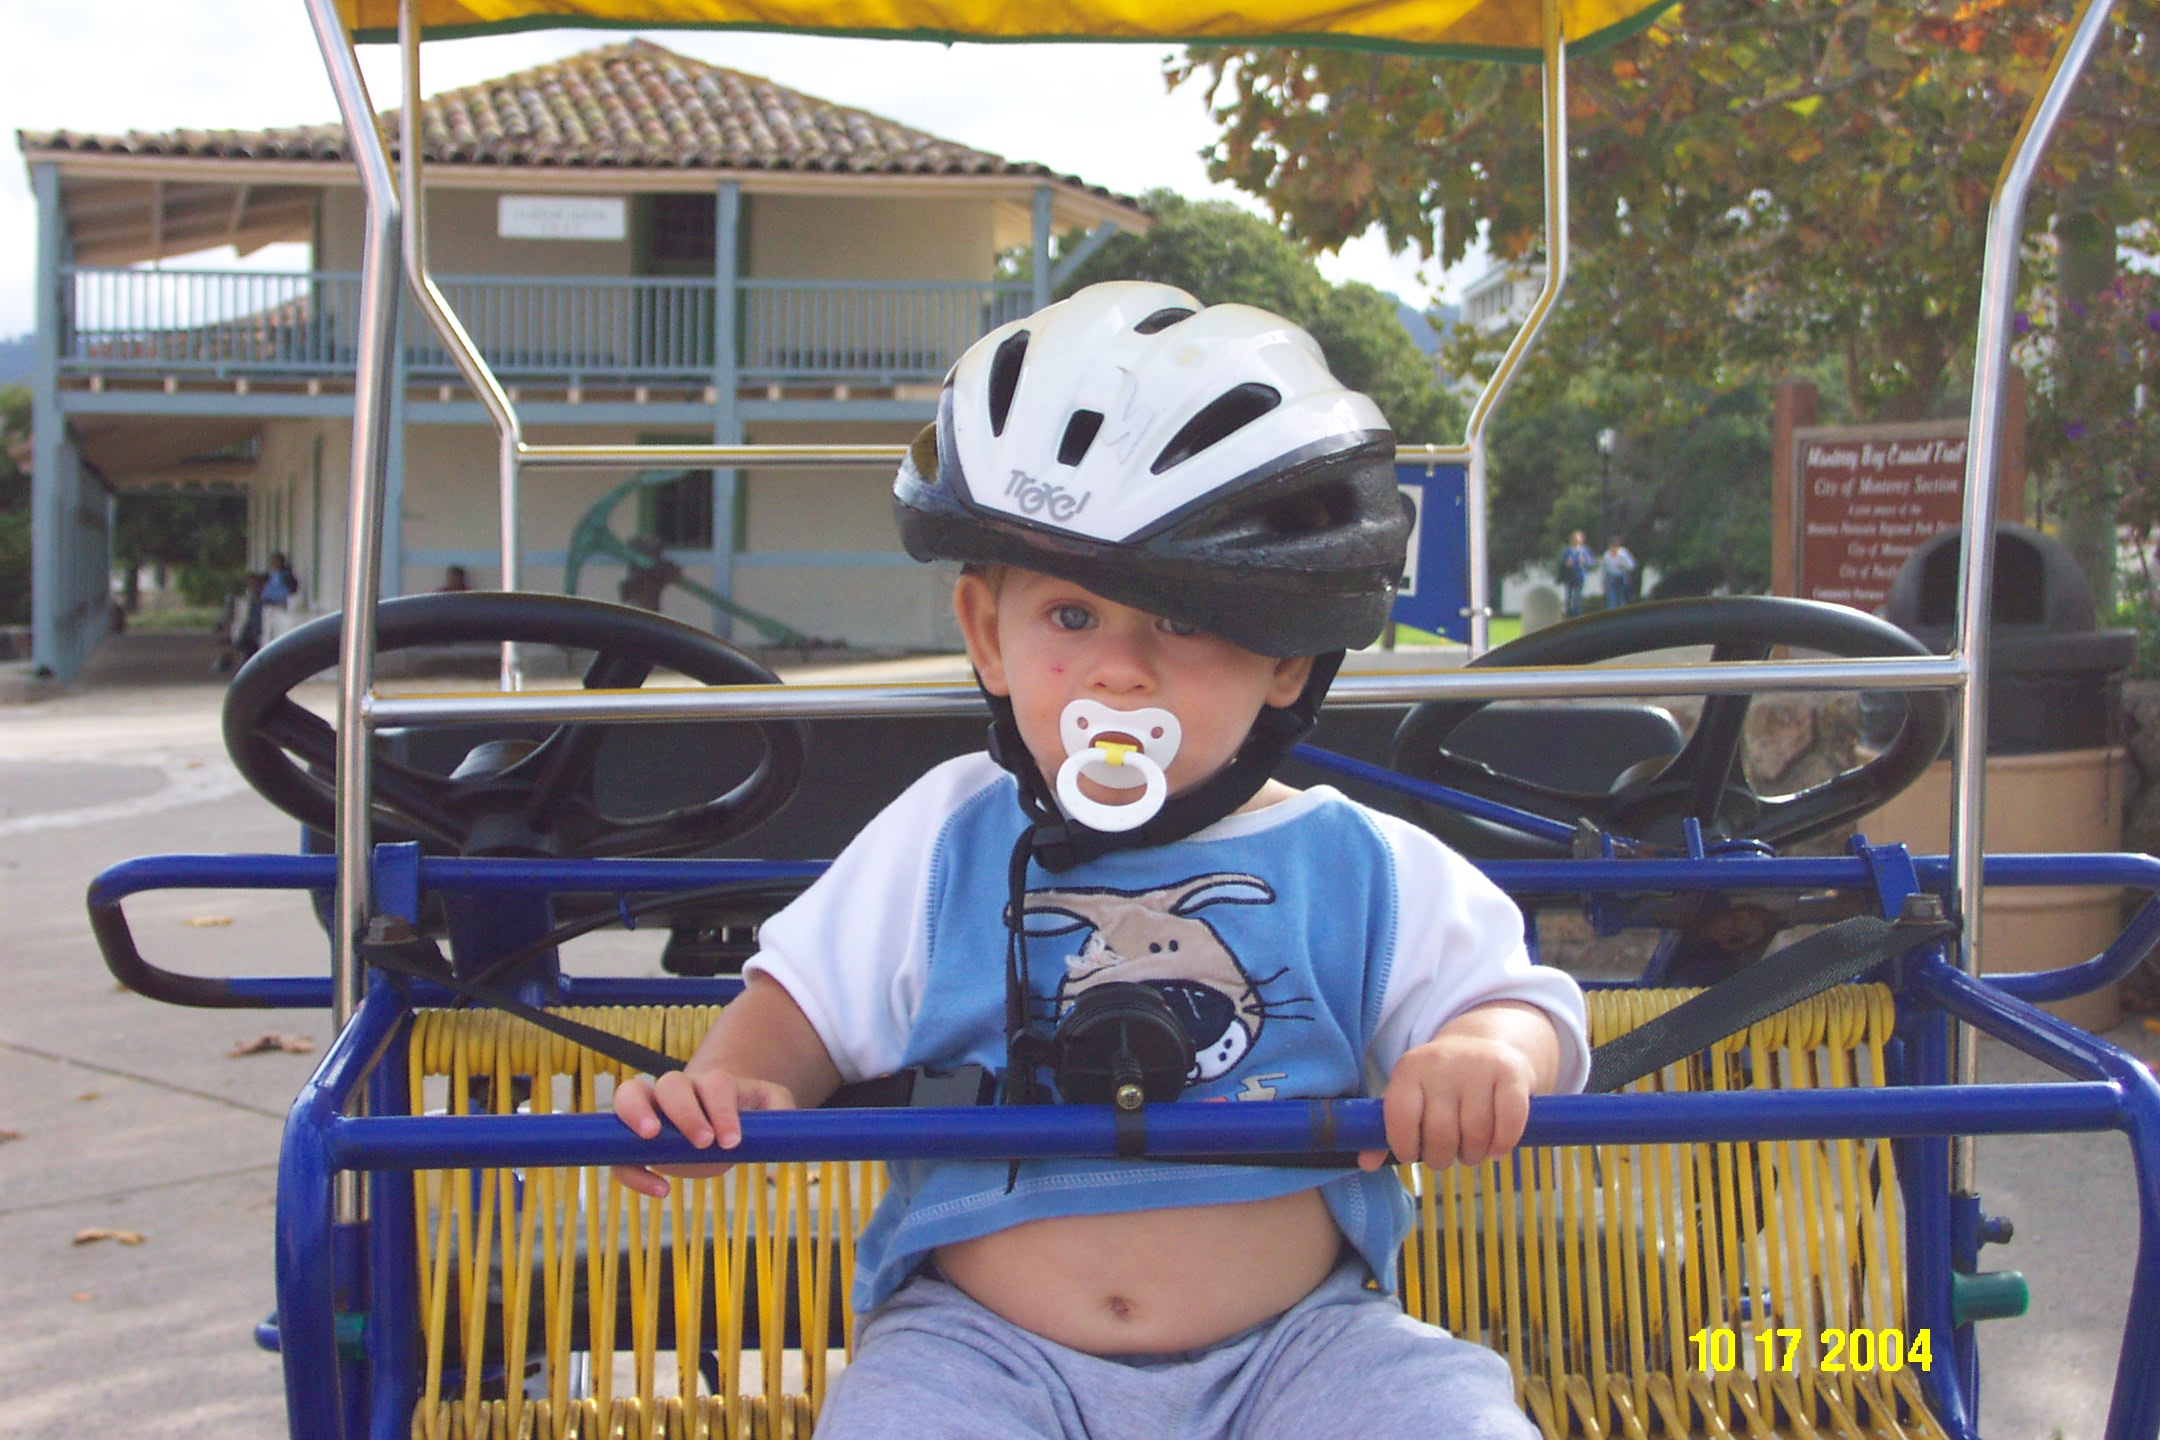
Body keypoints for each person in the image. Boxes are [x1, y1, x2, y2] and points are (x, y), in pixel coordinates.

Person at [610, 283, 1589, 1440]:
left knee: (1450, 1417)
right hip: (979, 1352)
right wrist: (736, 1085)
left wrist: (1482, 1052)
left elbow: (1519, 1001)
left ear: (1287, 661)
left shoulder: (1357, 860)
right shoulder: (947, 835)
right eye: (1072, 618)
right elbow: (801, 1007)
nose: (1120, 673)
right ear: (989, 636)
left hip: (1302, 1347)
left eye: (1181, 622)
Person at [1558, 530, 1594, 617]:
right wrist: (1566, 563)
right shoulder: (1567, 551)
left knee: (1578, 597)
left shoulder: (1584, 551)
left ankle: (1577, 615)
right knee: (1568, 597)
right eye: (1574, 539)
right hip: (1569, 577)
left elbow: (1590, 563)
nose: (1576, 541)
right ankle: (1568, 614)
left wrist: (1584, 561)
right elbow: (1562, 563)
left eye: (1578, 539)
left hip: (1580, 576)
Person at [1600, 536, 1637, 608]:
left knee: (1621, 599)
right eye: (1611, 547)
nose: (1613, 549)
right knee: (1611, 600)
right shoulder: (1606, 556)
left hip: (1621, 577)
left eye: (1615, 547)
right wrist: (1603, 584)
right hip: (1611, 578)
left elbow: (1632, 565)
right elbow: (1604, 570)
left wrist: (1624, 565)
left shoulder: (1623, 553)